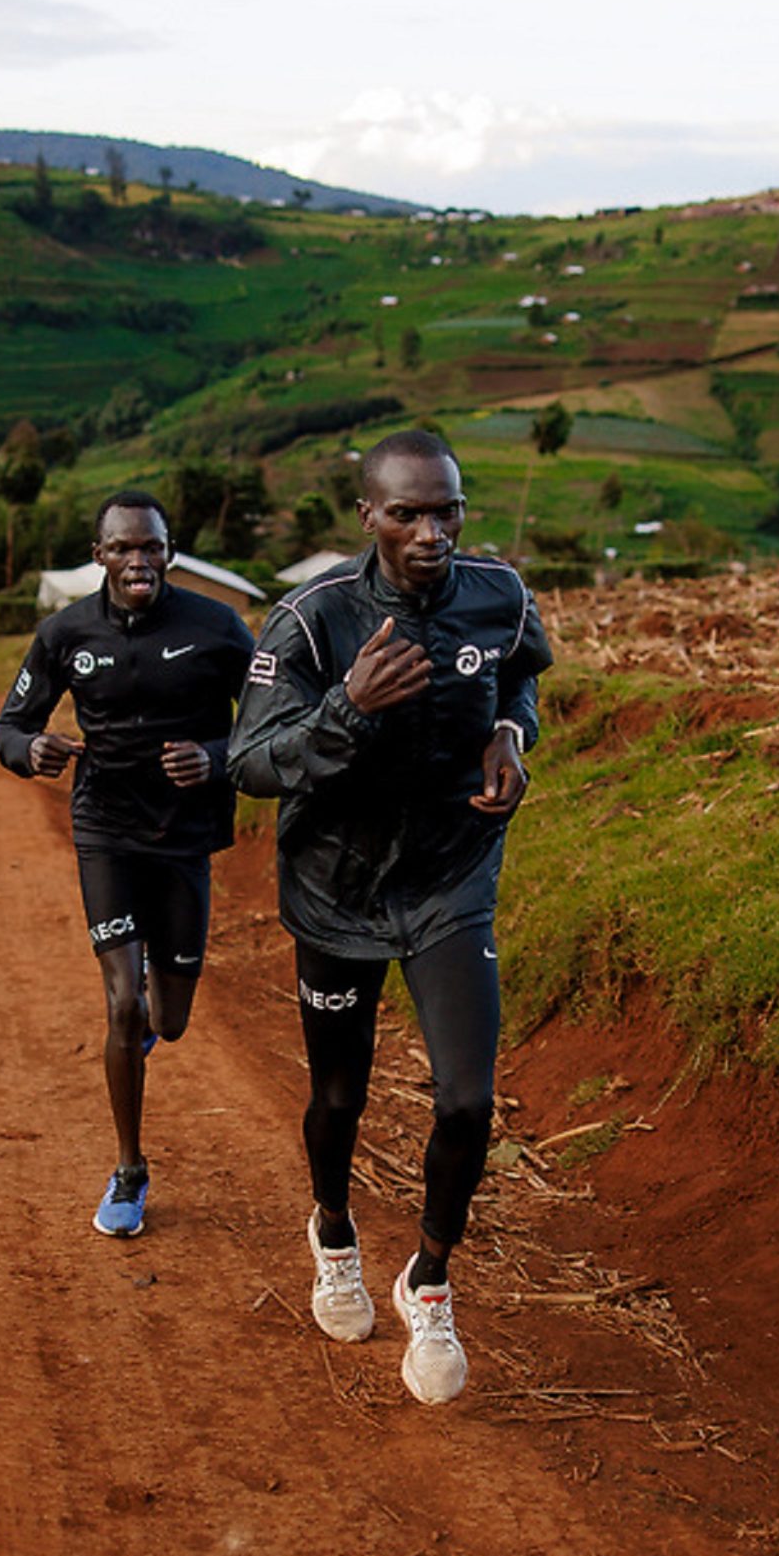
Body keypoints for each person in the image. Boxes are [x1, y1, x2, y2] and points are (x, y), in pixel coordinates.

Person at [227, 429, 551, 1404]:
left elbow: (521, 674)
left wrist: (509, 733)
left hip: (451, 878)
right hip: (337, 890)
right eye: (406, 514)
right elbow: (249, 762)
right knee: (340, 1097)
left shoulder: (499, 596)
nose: (430, 533)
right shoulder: (312, 621)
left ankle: (430, 1279)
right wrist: (349, 707)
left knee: (467, 1101)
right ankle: (333, 1230)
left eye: (446, 511)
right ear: (367, 515)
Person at [0, 492, 255, 1237]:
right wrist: (30, 750)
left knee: (170, 1020)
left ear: (169, 552)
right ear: (99, 555)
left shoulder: (218, 628)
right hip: (104, 826)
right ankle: (130, 1171)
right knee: (122, 1005)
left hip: (185, 834)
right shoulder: (65, 633)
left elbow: (274, 723)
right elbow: (9, 727)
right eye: (122, 548)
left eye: (151, 547)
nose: (138, 561)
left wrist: (214, 757)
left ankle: (146, 1013)